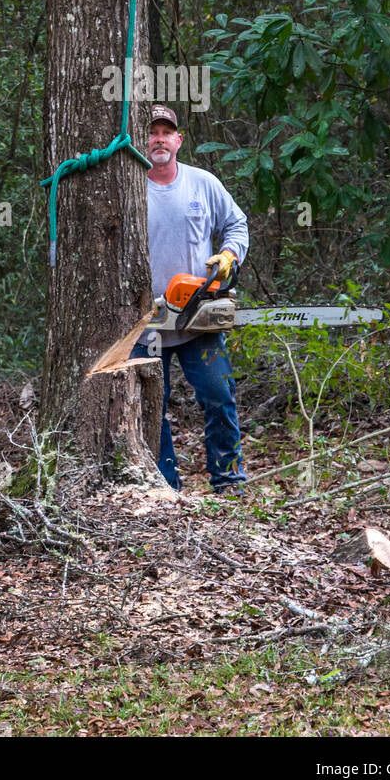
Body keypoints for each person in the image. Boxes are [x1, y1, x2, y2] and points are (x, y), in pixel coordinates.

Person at [132, 104, 249, 495]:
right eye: (152, 132)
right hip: (144, 321)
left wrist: (230, 255)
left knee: (219, 395)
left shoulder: (202, 183)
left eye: (166, 132)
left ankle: (228, 479)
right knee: (152, 407)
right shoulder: (128, 186)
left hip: (197, 316)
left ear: (179, 140)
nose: (159, 139)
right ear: (139, 137)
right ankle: (166, 486)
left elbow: (236, 223)